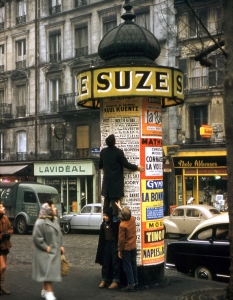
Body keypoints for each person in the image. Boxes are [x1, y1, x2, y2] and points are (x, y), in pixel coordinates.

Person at [99, 134, 144, 218]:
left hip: (107, 182)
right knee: (115, 204)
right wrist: (137, 167)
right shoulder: (118, 152)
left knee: (106, 202)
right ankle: (115, 222)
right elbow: (125, 164)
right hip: (116, 183)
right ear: (114, 142)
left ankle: (106, 222)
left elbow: (100, 165)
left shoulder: (103, 152)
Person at [32, 201, 65, 300]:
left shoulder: (55, 220)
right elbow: (36, 237)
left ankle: (44, 290)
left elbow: (59, 233)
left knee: (48, 272)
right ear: (48, 210)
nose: (55, 209)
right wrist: (45, 246)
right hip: (44, 253)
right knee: (48, 273)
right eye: (53, 208)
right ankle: (49, 294)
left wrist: (61, 245)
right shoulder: (40, 222)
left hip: (54, 251)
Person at [95, 207, 120, 289]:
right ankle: (104, 279)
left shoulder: (115, 224)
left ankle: (115, 281)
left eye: (106, 215)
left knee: (115, 262)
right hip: (106, 244)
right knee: (105, 262)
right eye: (104, 215)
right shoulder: (103, 225)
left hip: (114, 244)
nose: (105, 217)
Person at [117, 206, 138, 292]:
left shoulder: (122, 225)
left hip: (127, 248)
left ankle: (130, 284)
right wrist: (120, 207)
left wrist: (119, 250)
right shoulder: (132, 219)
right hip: (133, 246)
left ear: (122, 217)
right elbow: (127, 214)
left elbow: (121, 240)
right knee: (133, 265)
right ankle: (136, 282)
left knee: (128, 266)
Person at [0, 202, 13, 295]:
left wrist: (8, 233)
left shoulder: (5, 218)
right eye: (1, 207)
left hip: (5, 245)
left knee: (4, 268)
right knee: (2, 266)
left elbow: (11, 228)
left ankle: (2, 286)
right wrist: (1, 236)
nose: (3, 208)